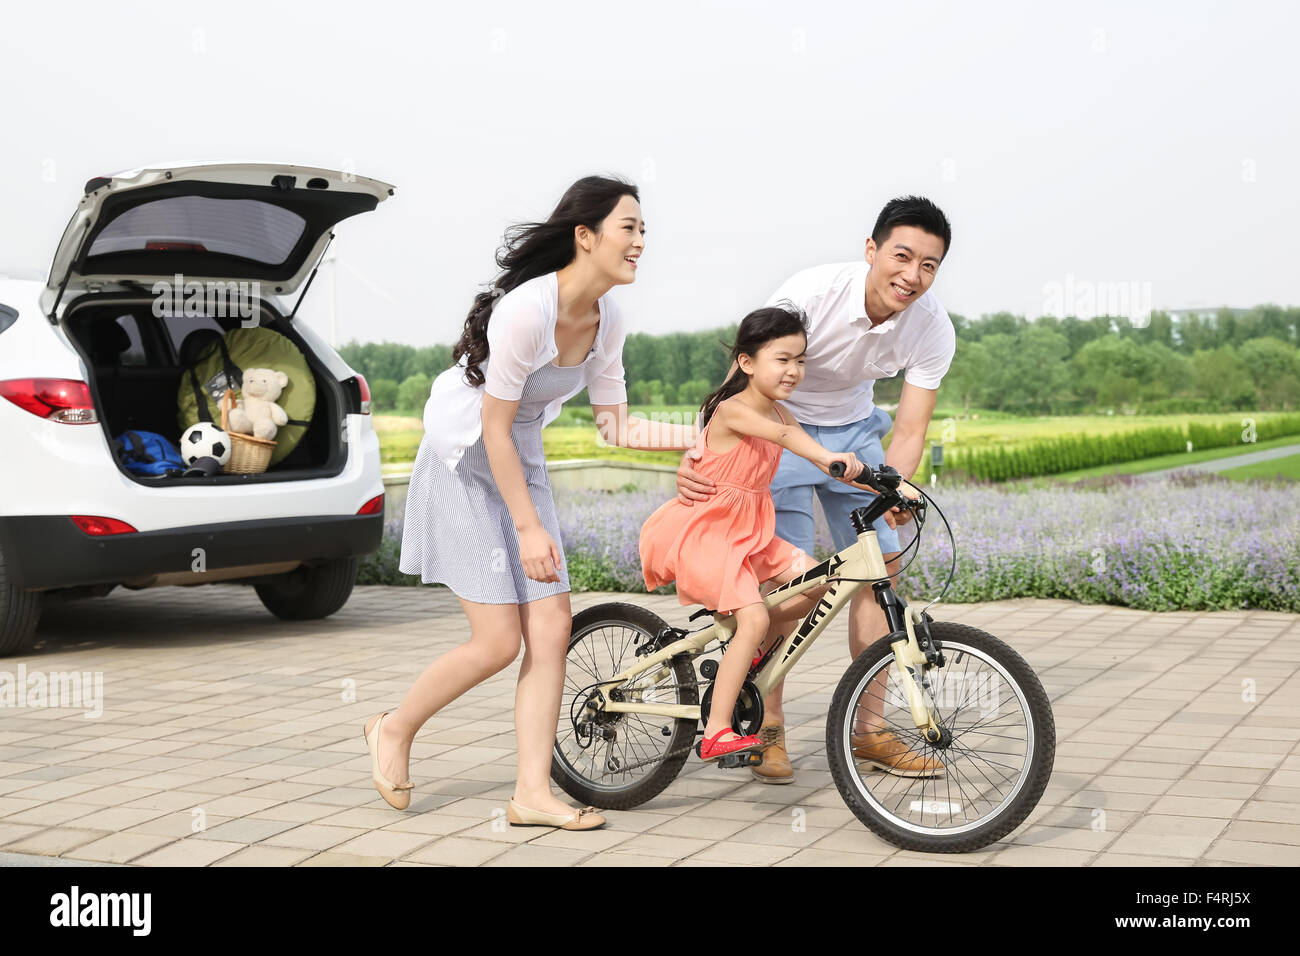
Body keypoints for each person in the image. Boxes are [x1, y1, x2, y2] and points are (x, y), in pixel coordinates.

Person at [376, 176, 698, 831]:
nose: (640, 241)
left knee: (550, 628)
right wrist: (527, 529)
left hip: (517, 454)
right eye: (628, 228)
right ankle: (392, 728)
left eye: (643, 230)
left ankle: (531, 795)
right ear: (586, 236)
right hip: (466, 457)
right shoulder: (527, 309)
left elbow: (617, 427)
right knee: (497, 641)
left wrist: (700, 439)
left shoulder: (608, 317)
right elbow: (492, 428)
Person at [675, 196, 955, 784]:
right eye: (902, 256)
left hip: (854, 440)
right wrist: (703, 453)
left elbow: (909, 426)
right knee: (784, 586)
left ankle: (870, 731)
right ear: (872, 250)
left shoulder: (932, 330)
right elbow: (743, 374)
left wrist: (896, 487)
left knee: (882, 570)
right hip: (779, 433)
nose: (912, 275)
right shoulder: (810, 292)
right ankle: (767, 728)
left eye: (930, 265)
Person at [639, 306, 866, 762]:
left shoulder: (780, 411)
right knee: (758, 617)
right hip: (710, 533)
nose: (794, 370)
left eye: (800, 359)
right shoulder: (732, 410)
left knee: (820, 583)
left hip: (751, 533)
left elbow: (815, 452)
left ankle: (750, 655)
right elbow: (787, 440)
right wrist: (828, 457)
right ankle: (717, 731)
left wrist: (887, 484)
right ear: (746, 362)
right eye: (782, 359)